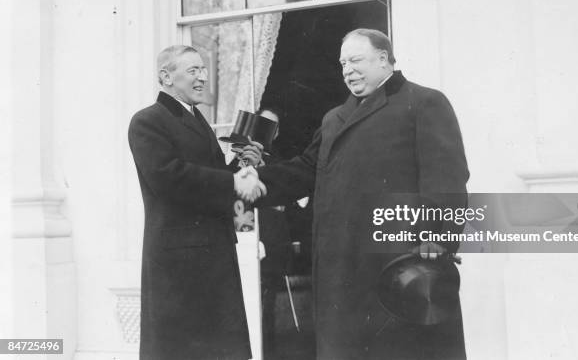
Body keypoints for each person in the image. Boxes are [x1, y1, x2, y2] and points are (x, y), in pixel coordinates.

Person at [252, 29, 470, 359]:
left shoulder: (424, 102)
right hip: (340, 274)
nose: (347, 70)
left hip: (399, 270)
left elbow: (447, 181)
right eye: (342, 64)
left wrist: (436, 241)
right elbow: (302, 171)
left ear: (384, 59)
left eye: (356, 60)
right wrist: (247, 182)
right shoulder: (333, 119)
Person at [128, 45, 265, 360]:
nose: (203, 77)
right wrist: (232, 181)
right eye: (193, 71)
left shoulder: (196, 119)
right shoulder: (148, 121)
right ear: (166, 76)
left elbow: (209, 181)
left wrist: (243, 165)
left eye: (203, 70)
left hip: (210, 252)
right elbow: (168, 177)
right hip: (180, 264)